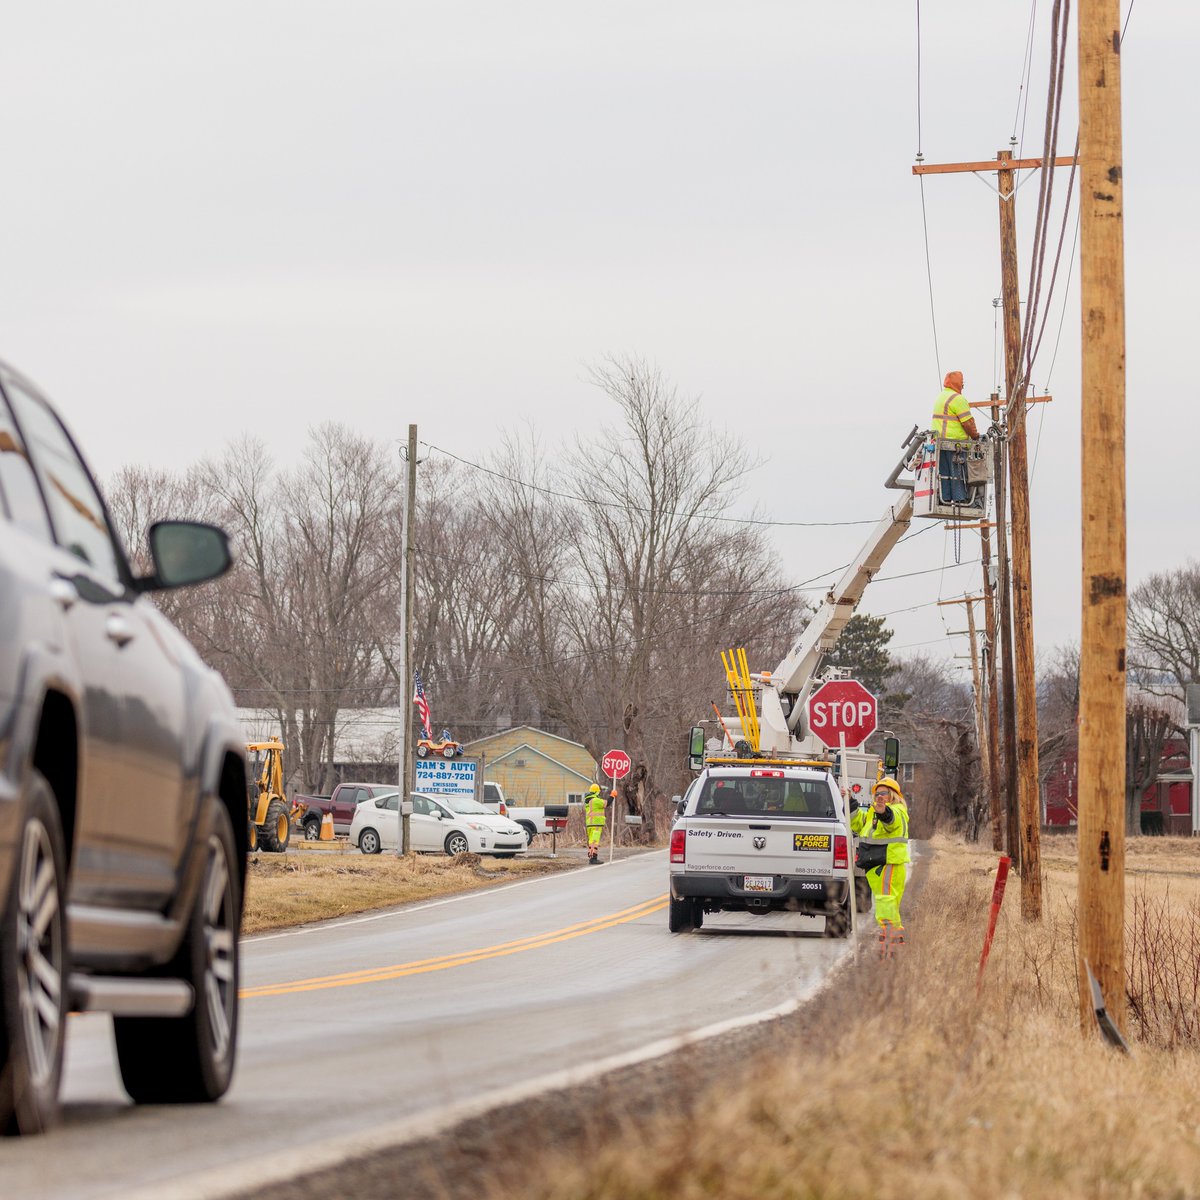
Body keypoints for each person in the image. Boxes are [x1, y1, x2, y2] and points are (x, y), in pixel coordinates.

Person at [850, 776, 911, 956]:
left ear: (892, 795)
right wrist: (851, 803)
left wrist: (884, 812)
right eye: (877, 793)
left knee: (886, 901)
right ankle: (891, 947)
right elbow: (858, 823)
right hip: (878, 864)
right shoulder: (873, 811)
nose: (879, 796)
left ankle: (890, 947)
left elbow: (891, 822)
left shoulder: (897, 810)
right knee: (887, 902)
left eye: (883, 793)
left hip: (888, 861)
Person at [931, 370, 981, 505]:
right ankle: (960, 499)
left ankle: (945, 498)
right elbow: (968, 423)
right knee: (957, 473)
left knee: (944, 474)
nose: (963, 386)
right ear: (958, 383)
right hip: (955, 444)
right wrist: (976, 436)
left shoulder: (942, 396)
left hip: (940, 444)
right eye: (962, 383)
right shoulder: (957, 399)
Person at [584, 783, 611, 864]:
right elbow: (607, 803)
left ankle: (591, 857)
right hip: (596, 824)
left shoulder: (588, 800)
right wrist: (612, 795)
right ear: (597, 792)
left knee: (591, 842)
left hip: (590, 824)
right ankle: (593, 859)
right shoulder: (595, 800)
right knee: (594, 841)